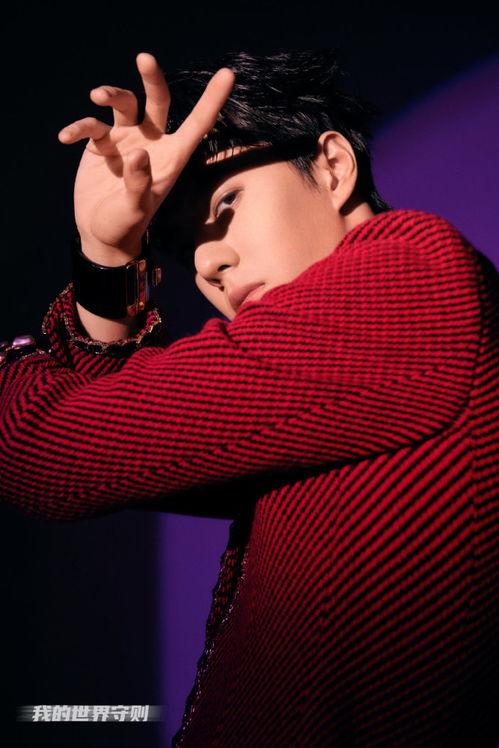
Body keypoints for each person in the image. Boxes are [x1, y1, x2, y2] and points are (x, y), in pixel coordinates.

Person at [1, 48, 498, 747]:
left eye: (227, 204)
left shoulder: (410, 279)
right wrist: (106, 257)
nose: (207, 262)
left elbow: (46, 452)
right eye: (182, 246)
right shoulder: (340, 390)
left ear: (332, 166)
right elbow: (107, 432)